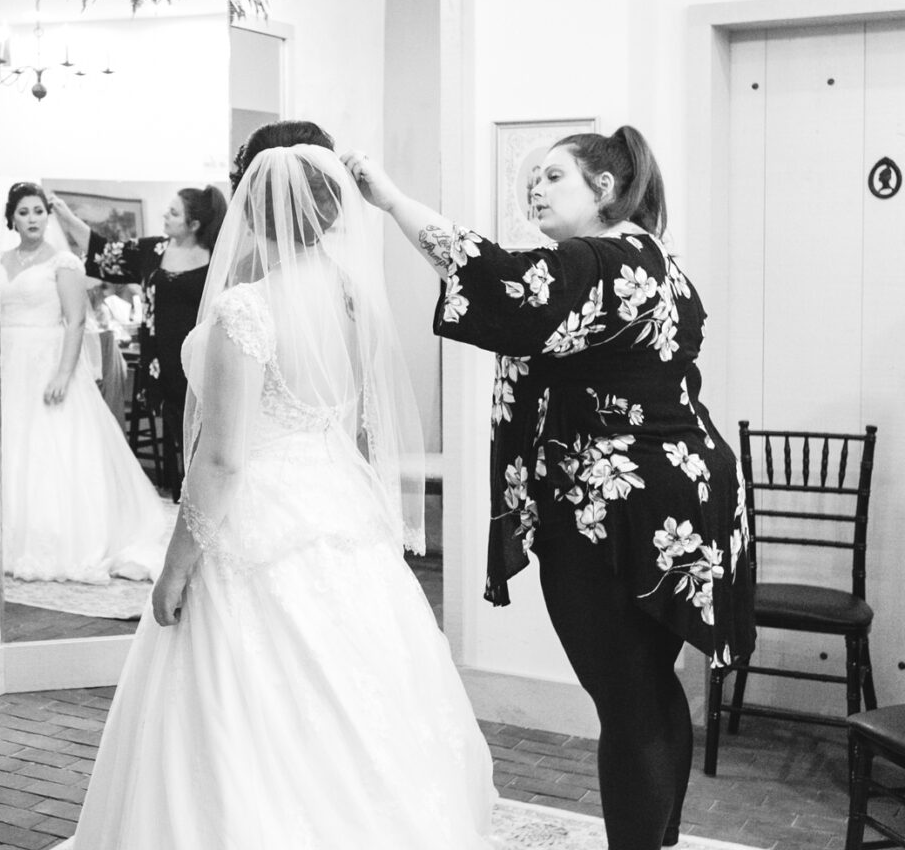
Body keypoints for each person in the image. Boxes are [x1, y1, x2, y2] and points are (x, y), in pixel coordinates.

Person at [68, 122, 496, 849]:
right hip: (337, 507)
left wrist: (172, 570)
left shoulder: (248, 309)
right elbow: (355, 425)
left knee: (244, 707)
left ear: (250, 206)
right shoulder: (354, 298)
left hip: (257, 518)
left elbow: (224, 459)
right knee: (353, 700)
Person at [345, 125, 755, 850]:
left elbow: (494, 277)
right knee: (651, 692)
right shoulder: (659, 262)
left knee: (627, 700)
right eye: (530, 178)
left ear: (604, 189)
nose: (534, 188)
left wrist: (392, 200)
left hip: (616, 503)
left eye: (554, 176)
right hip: (684, 493)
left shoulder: (593, 260)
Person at [0, 183, 169, 582]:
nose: (32, 219)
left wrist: (63, 372)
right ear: (12, 218)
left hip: (49, 361)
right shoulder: (0, 260)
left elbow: (75, 320)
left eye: (39, 211)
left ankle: (60, 532)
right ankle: (21, 530)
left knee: (54, 448)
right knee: (20, 449)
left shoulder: (64, 263)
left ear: (48, 214)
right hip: (13, 364)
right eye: (24, 212)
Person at [52, 186, 228, 497]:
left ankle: (206, 500)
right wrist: (66, 217)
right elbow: (103, 251)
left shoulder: (218, 260)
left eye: (174, 213)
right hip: (162, 365)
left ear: (194, 224)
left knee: (209, 440)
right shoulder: (152, 251)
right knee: (179, 436)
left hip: (202, 363)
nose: (166, 215)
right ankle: (188, 499)